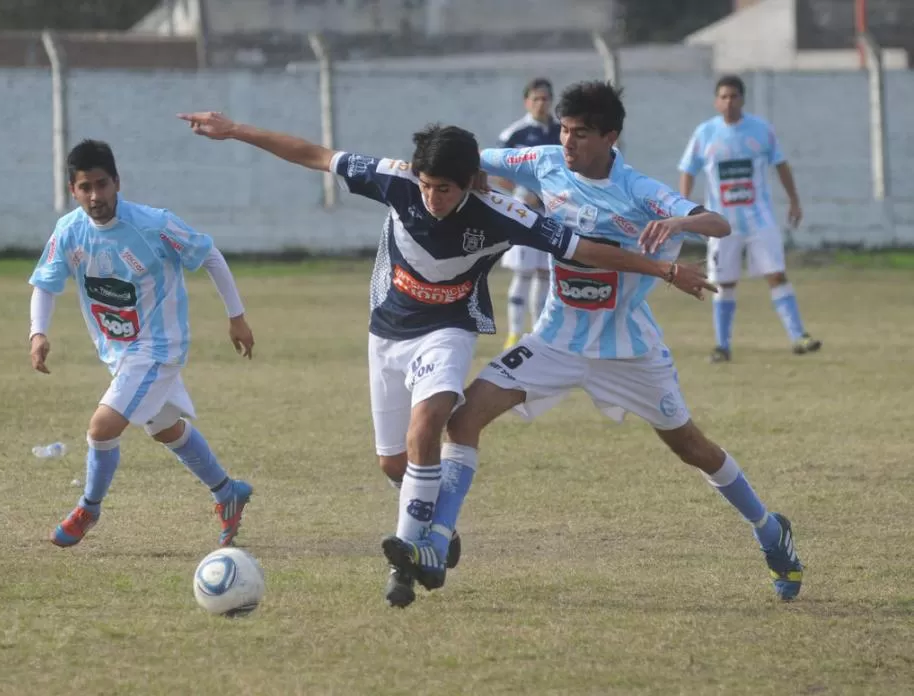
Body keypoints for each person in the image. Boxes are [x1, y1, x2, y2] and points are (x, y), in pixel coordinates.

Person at [177, 111, 714, 607]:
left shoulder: (501, 213)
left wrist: (663, 269)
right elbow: (314, 154)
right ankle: (438, 527)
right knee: (395, 462)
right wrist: (237, 130)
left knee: (428, 425)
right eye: (428, 186)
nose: (433, 197)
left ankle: (407, 565)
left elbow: (582, 249)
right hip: (386, 331)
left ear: (471, 182)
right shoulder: (394, 179)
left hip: (450, 330)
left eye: (446, 189)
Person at [381, 81, 804, 604]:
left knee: (691, 447)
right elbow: (470, 158)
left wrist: (677, 219)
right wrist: (476, 184)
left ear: (611, 136)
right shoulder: (543, 161)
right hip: (554, 340)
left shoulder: (638, 189)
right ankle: (437, 543)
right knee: (463, 419)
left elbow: (716, 222)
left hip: (628, 350)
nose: (568, 140)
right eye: (564, 129)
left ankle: (768, 528)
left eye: (580, 132)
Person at [28, 139, 256, 549]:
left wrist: (236, 316)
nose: (95, 196)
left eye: (102, 184)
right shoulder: (69, 231)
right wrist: (37, 332)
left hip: (158, 347)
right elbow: (45, 283)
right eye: (85, 187)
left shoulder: (153, 224)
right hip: (119, 353)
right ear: (72, 190)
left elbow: (210, 255)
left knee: (101, 428)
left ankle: (89, 508)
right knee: (165, 428)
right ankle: (228, 492)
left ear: (117, 182)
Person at [678, 74, 822, 363]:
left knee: (776, 274)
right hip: (721, 223)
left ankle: (798, 337)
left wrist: (794, 200)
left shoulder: (761, 130)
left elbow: (780, 164)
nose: (729, 102)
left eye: (734, 96)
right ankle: (722, 346)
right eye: (724, 97)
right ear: (716, 101)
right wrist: (685, 210)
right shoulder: (705, 133)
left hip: (759, 219)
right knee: (723, 282)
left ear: (742, 99)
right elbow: (687, 170)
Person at [494, 78, 562, 349]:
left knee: (545, 273)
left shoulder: (560, 132)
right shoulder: (515, 134)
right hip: (522, 211)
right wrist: (523, 192)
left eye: (546, 99)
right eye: (536, 99)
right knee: (522, 273)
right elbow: (497, 171)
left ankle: (538, 333)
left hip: (553, 211)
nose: (541, 103)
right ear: (527, 102)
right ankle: (513, 333)